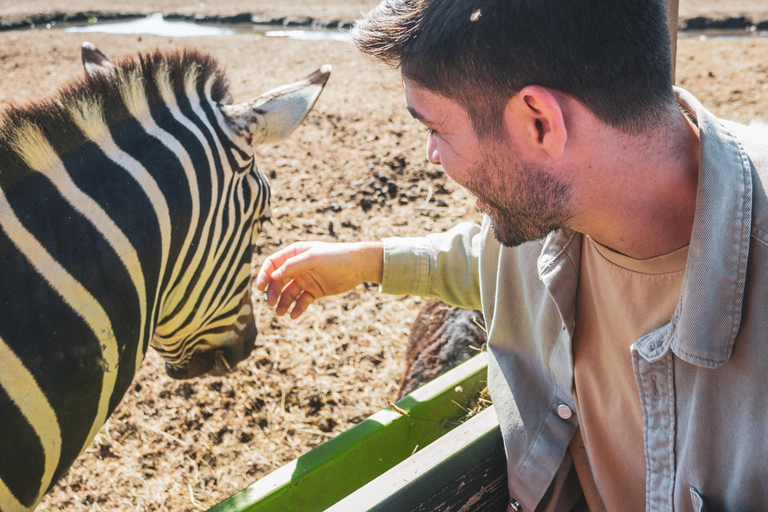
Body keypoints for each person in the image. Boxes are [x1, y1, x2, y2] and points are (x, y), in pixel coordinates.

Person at [255, 0, 768, 510]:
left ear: (540, 123)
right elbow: (496, 260)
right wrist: (367, 262)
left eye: (435, 129)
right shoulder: (568, 208)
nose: (431, 155)